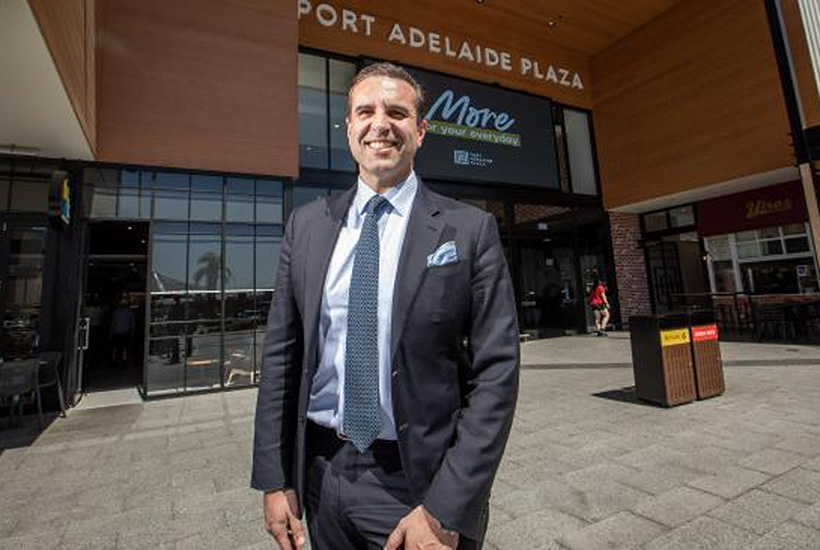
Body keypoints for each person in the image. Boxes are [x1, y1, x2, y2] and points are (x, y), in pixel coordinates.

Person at [252, 62, 519, 550]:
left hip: (418, 485)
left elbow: (497, 373)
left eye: (397, 112)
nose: (381, 123)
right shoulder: (306, 226)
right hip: (320, 473)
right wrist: (275, 478)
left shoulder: (468, 230)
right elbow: (281, 358)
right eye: (366, 111)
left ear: (419, 130)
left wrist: (447, 505)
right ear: (349, 127)